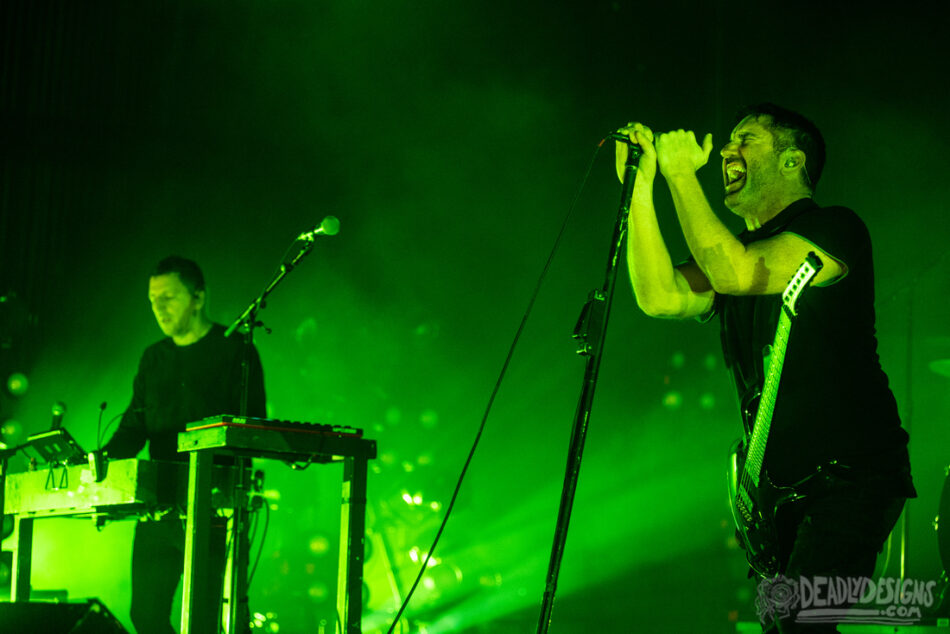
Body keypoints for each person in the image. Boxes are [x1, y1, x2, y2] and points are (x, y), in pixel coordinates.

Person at [615, 104, 915, 633]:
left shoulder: (835, 229)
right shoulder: (737, 250)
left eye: (745, 140)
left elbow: (735, 271)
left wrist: (683, 173)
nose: (727, 151)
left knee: (799, 623)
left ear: (792, 160)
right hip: (775, 489)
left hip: (849, 478)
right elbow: (659, 295)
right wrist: (643, 186)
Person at [103, 255, 266, 634]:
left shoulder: (236, 352)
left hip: (214, 511)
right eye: (153, 300)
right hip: (157, 509)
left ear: (198, 297)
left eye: (169, 297)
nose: (158, 308)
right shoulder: (153, 358)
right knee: (145, 615)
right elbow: (133, 427)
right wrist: (98, 463)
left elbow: (252, 429)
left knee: (212, 619)